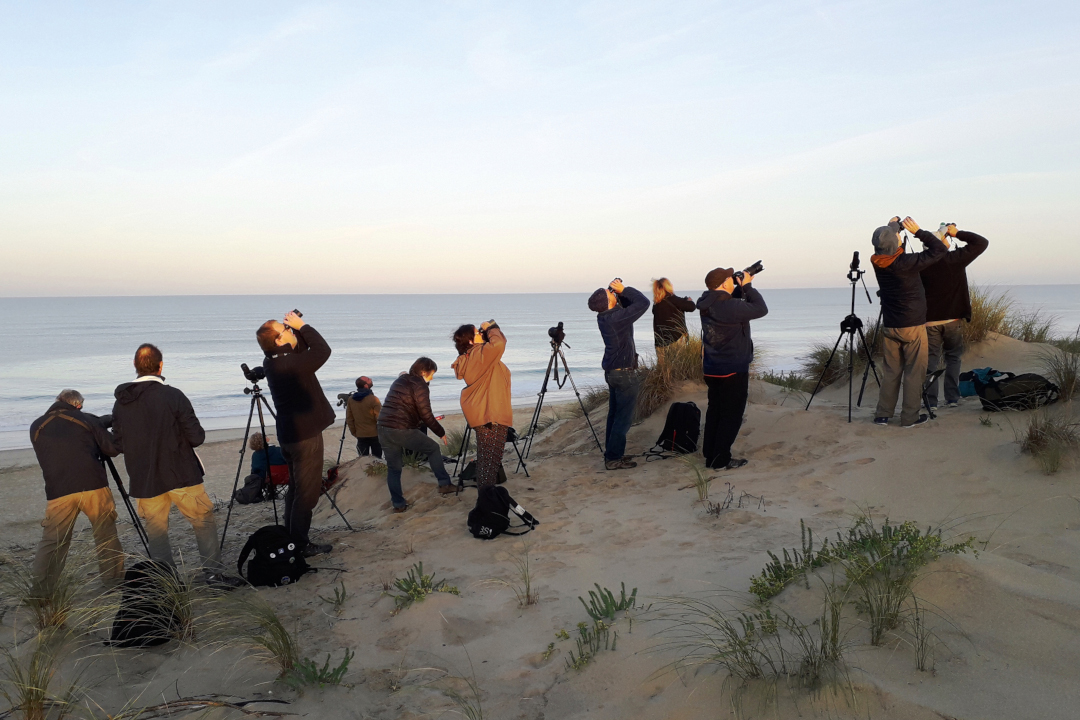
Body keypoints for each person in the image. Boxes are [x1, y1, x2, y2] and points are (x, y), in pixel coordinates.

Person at [113, 344, 239, 587]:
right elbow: (197, 437)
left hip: (144, 478)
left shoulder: (122, 402)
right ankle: (213, 575)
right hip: (180, 473)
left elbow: (118, 443)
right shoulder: (173, 395)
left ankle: (166, 582)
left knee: (156, 531)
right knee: (203, 521)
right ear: (160, 366)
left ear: (135, 367)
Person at [29, 389, 124, 593]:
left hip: (57, 489)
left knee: (52, 541)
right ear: (78, 405)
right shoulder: (87, 420)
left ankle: (41, 590)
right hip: (92, 485)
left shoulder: (37, 426)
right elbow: (112, 449)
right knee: (105, 534)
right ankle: (113, 581)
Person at [256, 311, 335, 557]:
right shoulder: (290, 364)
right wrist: (304, 325)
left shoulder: (272, 361)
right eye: (286, 330)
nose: (290, 332)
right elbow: (323, 351)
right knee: (307, 493)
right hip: (305, 437)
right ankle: (300, 545)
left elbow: (299, 350)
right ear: (279, 341)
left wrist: (296, 329)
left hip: (289, 435)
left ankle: (292, 538)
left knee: (295, 489)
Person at [870, 217, 948, 428]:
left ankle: (883, 415)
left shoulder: (877, 260)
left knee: (891, 371)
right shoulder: (905, 263)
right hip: (912, 326)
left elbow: (887, 242)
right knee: (915, 372)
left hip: (890, 325)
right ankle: (909, 417)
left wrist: (894, 225)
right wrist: (919, 231)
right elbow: (939, 250)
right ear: (896, 243)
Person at [697, 267, 768, 470]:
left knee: (715, 411)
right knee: (731, 415)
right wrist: (747, 285)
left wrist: (739, 284)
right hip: (732, 368)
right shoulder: (729, 307)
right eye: (729, 278)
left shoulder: (709, 302)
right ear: (723, 283)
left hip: (712, 366)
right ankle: (720, 460)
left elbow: (730, 299)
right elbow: (760, 308)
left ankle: (710, 454)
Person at [920, 224, 989, 410]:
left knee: (931, 360)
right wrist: (956, 233)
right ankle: (951, 398)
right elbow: (981, 242)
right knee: (953, 357)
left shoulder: (921, 263)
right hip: (952, 320)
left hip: (929, 321)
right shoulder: (954, 259)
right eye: (944, 240)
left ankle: (931, 401)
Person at [588, 278, 649, 470]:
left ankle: (613, 454)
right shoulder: (616, 319)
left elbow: (627, 307)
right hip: (623, 375)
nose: (613, 293)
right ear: (608, 303)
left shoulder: (606, 317)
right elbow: (643, 303)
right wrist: (624, 289)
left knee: (614, 416)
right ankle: (614, 459)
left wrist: (619, 294)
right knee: (622, 419)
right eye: (610, 294)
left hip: (613, 372)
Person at [377, 357, 453, 511]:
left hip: (383, 427)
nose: (432, 377)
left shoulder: (400, 380)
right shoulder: (420, 385)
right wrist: (441, 432)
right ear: (424, 372)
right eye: (431, 374)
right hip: (401, 429)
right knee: (433, 449)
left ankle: (398, 505)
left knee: (394, 468)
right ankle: (445, 484)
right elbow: (426, 414)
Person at [451, 320, 512, 487]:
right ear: (470, 341)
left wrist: (490, 331)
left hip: (484, 414)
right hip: (491, 414)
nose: (480, 334)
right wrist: (491, 328)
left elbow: (499, 344)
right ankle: (486, 500)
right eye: (477, 333)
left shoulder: (472, 357)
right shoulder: (479, 355)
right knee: (490, 463)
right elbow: (499, 343)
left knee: (487, 461)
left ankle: (486, 498)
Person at [233, 432, 285, 504]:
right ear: (265, 440)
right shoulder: (279, 450)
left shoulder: (256, 455)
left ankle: (270, 492)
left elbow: (255, 471)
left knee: (260, 474)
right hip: (285, 478)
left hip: (266, 481)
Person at [651, 278, 697, 349]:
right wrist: (688, 300)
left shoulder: (656, 304)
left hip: (660, 342)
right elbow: (692, 307)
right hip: (676, 339)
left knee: (662, 360)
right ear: (669, 286)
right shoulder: (673, 299)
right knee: (679, 360)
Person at [346, 376, 382, 458]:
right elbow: (379, 418)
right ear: (366, 385)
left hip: (360, 434)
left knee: (363, 461)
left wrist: (354, 432)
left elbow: (349, 419)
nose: (371, 379)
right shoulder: (373, 399)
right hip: (375, 434)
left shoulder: (351, 399)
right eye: (369, 380)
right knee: (377, 459)